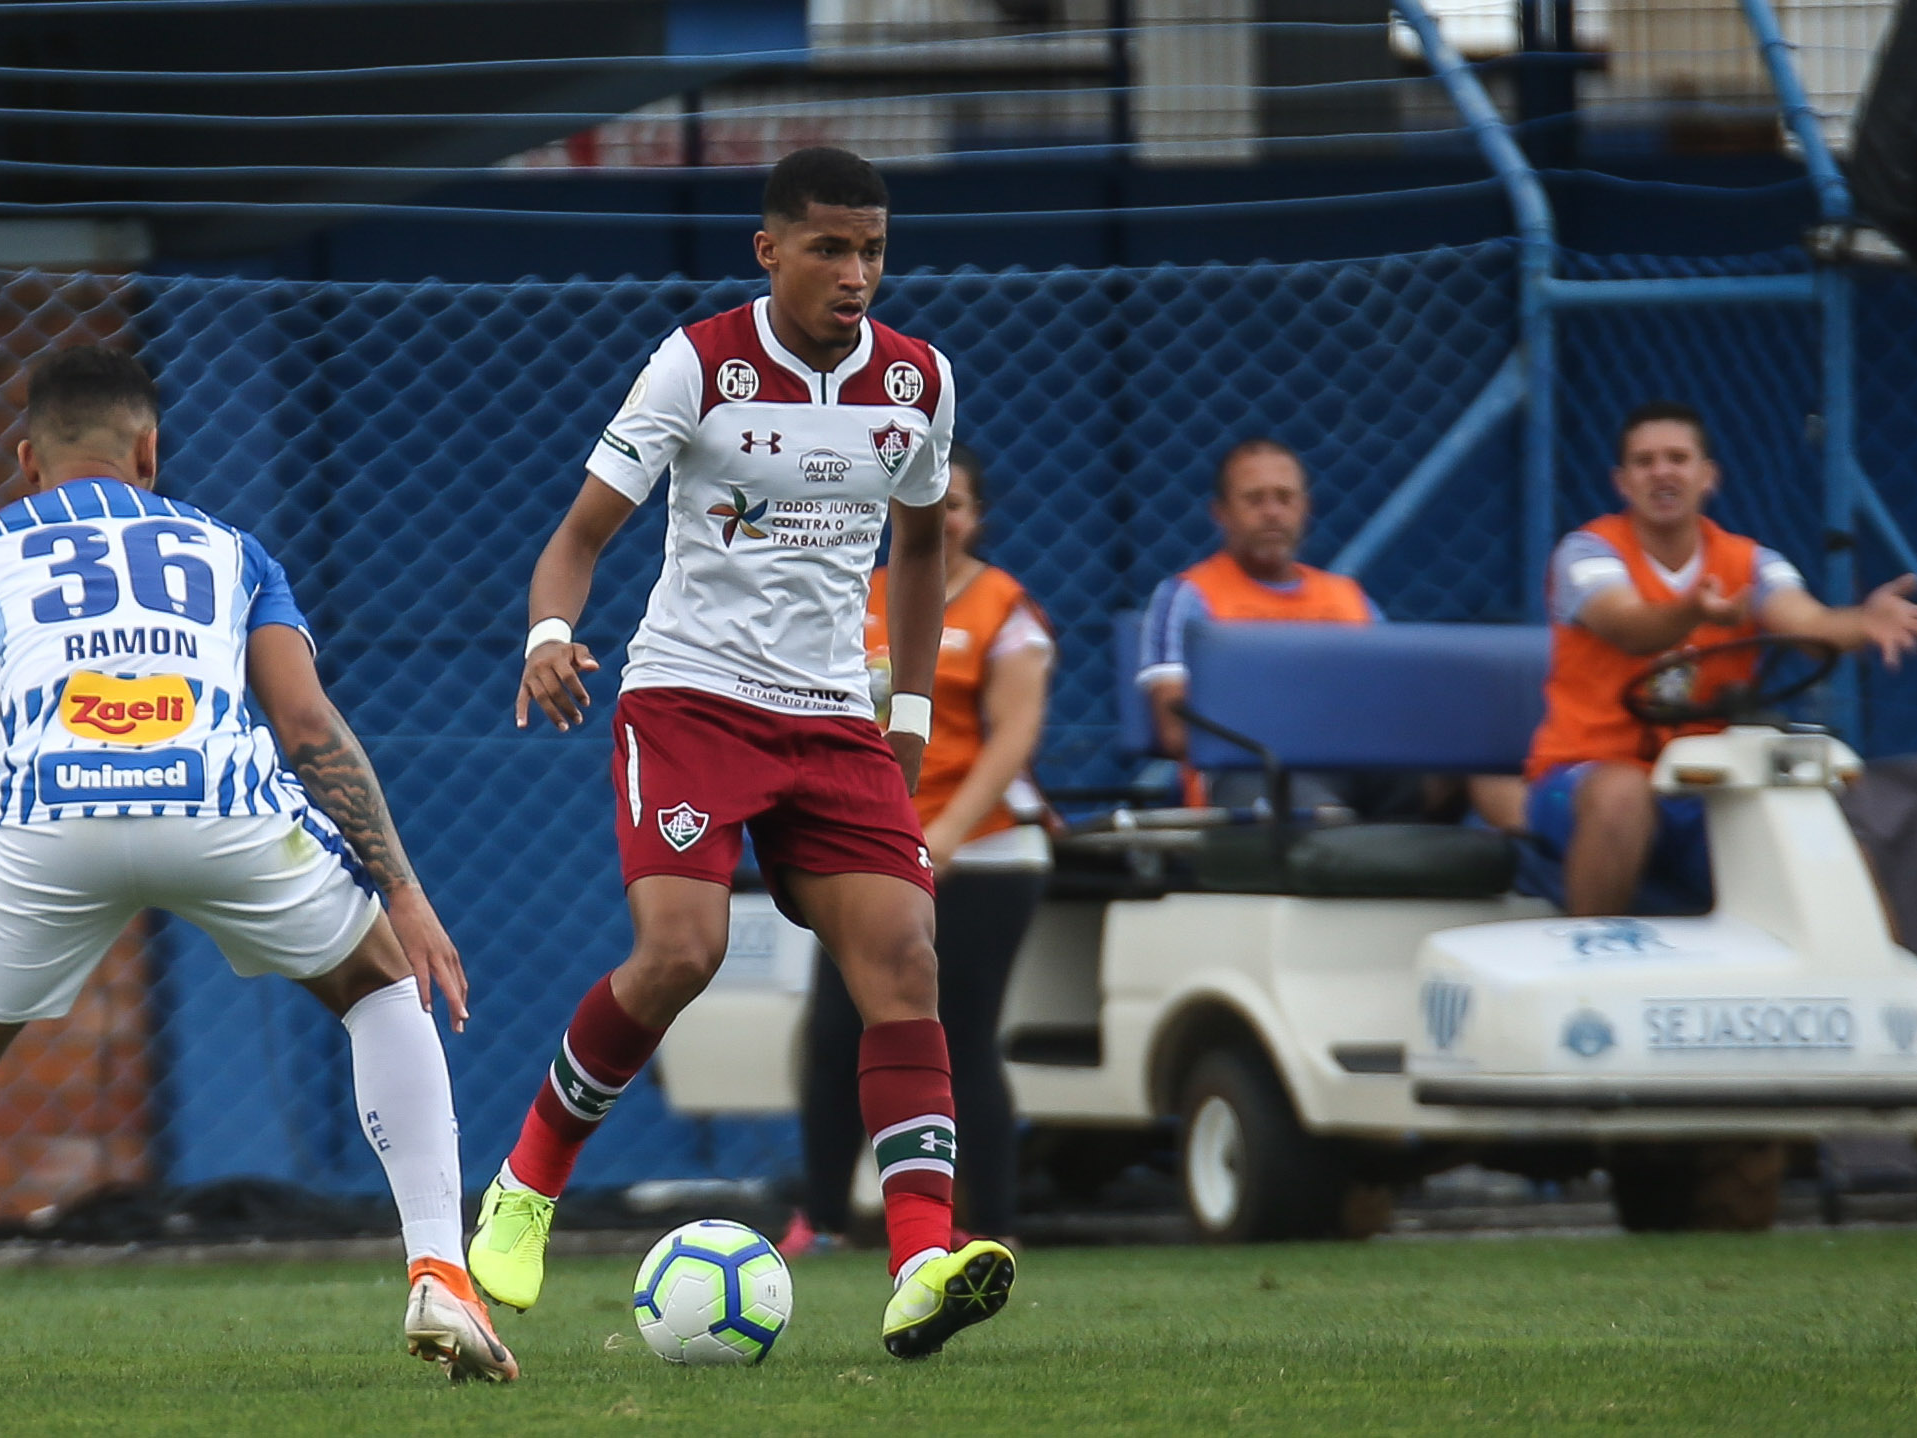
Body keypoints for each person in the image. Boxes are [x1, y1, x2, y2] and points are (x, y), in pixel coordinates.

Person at [0, 347, 517, 1397]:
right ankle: (441, 1267)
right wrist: (402, 889)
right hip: (220, 799)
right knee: (379, 983)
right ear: (150, 450)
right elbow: (306, 722)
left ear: (28, 458)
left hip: (46, 815)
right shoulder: (234, 549)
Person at [470, 146, 1015, 1361]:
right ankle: (526, 1184)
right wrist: (550, 634)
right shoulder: (697, 364)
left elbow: (920, 551)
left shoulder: (919, 381)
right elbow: (577, 537)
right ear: (769, 251)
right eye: (829, 247)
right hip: (691, 703)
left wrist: (913, 709)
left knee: (905, 957)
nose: (857, 273)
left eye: (872, 248)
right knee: (682, 951)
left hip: (831, 717)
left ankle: (921, 1259)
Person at [793, 441, 1052, 1255]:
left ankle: (990, 1227)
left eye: (957, 504)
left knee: (961, 1038)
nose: (943, 518)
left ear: (975, 518)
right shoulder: (856, 594)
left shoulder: (1005, 610)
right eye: (928, 503)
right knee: (836, 1036)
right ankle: (823, 1220)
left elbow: (1013, 741)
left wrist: (941, 836)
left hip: (981, 856)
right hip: (867, 848)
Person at [1525, 399, 1917, 916]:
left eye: (1677, 458)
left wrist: (1860, 624)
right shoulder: (1587, 553)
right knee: (1623, 795)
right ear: (1622, 482)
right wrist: (1692, 609)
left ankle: (1875, 983)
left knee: (1812, 808)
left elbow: (1809, 626)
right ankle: (1586, 969)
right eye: (1644, 462)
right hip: (1586, 774)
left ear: (1708, 476)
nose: (1661, 472)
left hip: (1705, 783)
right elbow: (1627, 627)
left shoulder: (1752, 562)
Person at [1135, 438, 1379, 807]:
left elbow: (1392, 710)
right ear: (1221, 513)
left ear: (1305, 507)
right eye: (1254, 499)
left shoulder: (1350, 598)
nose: (1272, 512)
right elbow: (1175, 730)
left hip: (1362, 767)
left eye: (1284, 498)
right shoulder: (1189, 596)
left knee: (1481, 758)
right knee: (1314, 810)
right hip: (1252, 772)